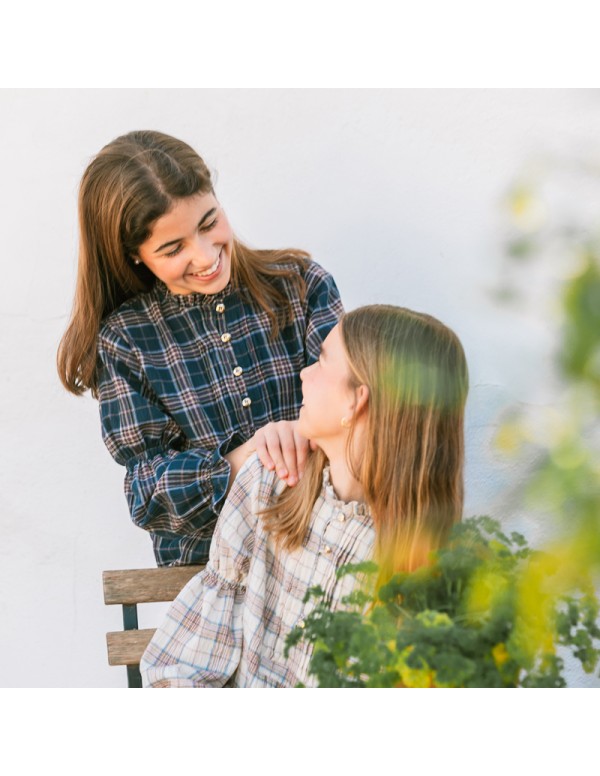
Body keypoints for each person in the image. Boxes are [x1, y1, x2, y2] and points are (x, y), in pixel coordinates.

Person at [140, 304, 469, 687]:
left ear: (355, 401)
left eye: (322, 362)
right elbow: (184, 664)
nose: (303, 373)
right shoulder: (268, 482)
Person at [57, 130, 343, 566]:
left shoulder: (301, 285)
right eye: (173, 248)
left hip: (323, 558)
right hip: (210, 583)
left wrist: (301, 437)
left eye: (209, 223)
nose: (206, 255)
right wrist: (242, 462)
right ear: (135, 255)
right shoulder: (126, 341)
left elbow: (361, 414)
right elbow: (147, 492)